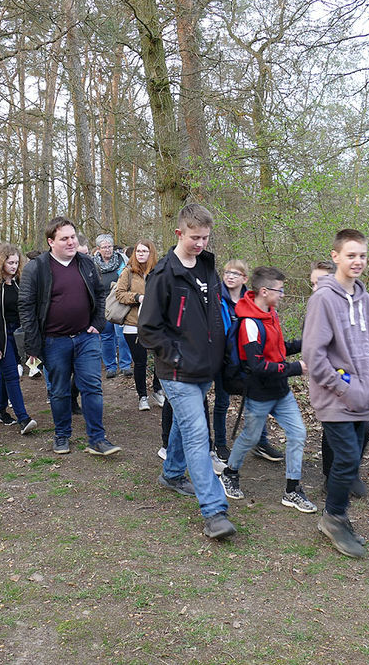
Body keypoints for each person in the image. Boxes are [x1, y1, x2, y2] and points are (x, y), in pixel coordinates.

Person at [139, 202, 235, 540]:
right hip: (176, 371)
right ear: (179, 233)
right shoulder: (164, 273)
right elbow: (148, 329)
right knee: (198, 433)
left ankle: (172, 473)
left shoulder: (208, 267)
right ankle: (214, 511)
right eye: (195, 237)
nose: (200, 244)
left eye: (206, 238)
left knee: (184, 422)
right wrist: (176, 356)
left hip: (205, 369)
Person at [303, 229, 369, 558]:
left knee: (361, 442)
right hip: (334, 397)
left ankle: (339, 513)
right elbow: (313, 355)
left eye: (362, 255)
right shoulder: (323, 299)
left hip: (363, 397)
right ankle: (333, 519)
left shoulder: (365, 300)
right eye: (351, 255)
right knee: (348, 457)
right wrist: (345, 389)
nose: (358, 261)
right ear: (336, 256)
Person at [218, 267, 317, 514]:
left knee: (297, 433)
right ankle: (230, 472)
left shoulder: (270, 314)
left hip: (281, 392)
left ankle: (292, 490)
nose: (283, 294)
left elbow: (278, 349)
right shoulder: (249, 323)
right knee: (250, 437)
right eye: (280, 290)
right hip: (259, 393)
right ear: (264, 291)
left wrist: (305, 343)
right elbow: (257, 365)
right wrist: (296, 368)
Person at [19, 217, 121, 456]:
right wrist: (33, 345)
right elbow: (26, 306)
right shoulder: (37, 268)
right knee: (59, 391)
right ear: (50, 242)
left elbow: (99, 293)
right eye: (64, 238)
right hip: (54, 341)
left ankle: (97, 438)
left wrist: (98, 322)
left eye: (73, 237)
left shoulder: (86, 263)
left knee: (93, 388)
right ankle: (62, 435)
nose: (70, 242)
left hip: (86, 338)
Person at [213, 259, 283, 469]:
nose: (230, 276)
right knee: (222, 402)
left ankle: (260, 442)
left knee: (256, 401)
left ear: (245, 278)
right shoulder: (217, 299)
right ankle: (220, 444)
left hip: (248, 359)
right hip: (222, 359)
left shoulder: (252, 299)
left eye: (235, 273)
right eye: (226, 272)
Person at [0, 244, 38, 434]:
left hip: (19, 336)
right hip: (0, 337)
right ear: (0, 263)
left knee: (7, 374)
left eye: (16, 262)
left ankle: (0, 410)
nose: (14, 266)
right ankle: (23, 418)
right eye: (10, 262)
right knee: (13, 375)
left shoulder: (21, 282)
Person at [115, 239, 163, 411]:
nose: (141, 254)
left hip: (156, 324)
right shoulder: (128, 272)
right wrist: (137, 297)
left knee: (160, 359)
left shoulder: (159, 272)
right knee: (140, 362)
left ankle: (158, 391)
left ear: (151, 253)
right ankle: (142, 396)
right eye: (138, 251)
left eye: (145, 251)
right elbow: (119, 294)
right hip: (133, 323)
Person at [93, 233, 132, 377]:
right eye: (104, 247)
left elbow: (130, 276)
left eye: (109, 246)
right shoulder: (93, 263)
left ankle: (125, 365)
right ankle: (110, 367)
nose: (107, 249)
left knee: (121, 335)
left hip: (119, 303)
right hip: (102, 304)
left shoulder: (122, 259)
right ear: (98, 249)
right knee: (106, 336)